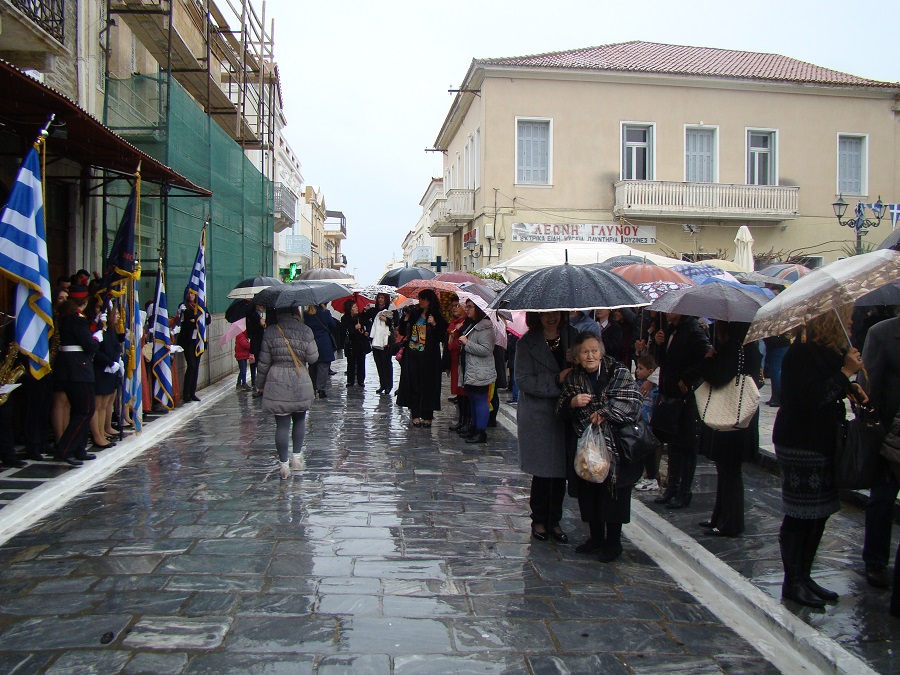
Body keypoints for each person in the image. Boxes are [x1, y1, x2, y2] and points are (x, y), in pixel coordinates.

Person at [772, 306, 866, 608]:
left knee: (820, 511)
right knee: (800, 513)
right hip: (800, 442)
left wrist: (850, 385)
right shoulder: (800, 354)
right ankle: (793, 582)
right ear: (829, 322)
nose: (850, 322)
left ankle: (805, 575)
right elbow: (811, 399)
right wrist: (844, 374)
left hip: (824, 441)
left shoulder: (830, 354)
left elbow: (829, 389)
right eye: (846, 318)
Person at [557, 332, 643, 562]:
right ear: (577, 356)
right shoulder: (574, 377)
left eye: (594, 350)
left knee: (614, 494)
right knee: (589, 492)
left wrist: (606, 412)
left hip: (615, 446)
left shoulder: (618, 371)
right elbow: (561, 410)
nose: (590, 356)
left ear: (601, 352)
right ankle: (595, 538)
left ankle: (613, 543)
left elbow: (632, 401)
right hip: (587, 447)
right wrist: (572, 402)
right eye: (584, 352)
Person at [516, 311, 577, 543]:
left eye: (555, 313)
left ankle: (555, 520)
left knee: (560, 470)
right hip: (539, 414)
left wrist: (577, 360)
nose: (551, 318)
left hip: (566, 412)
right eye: (546, 314)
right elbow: (522, 380)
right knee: (543, 471)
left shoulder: (572, 335)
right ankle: (539, 519)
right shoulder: (526, 343)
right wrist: (556, 379)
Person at [697, 321, 762, 537]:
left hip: (730, 416)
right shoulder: (749, 347)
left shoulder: (733, 348)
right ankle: (720, 517)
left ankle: (729, 522)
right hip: (741, 414)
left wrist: (708, 360)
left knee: (729, 471)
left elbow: (717, 376)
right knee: (726, 470)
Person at [651, 312, 711, 509]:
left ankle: (684, 491)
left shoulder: (693, 329)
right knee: (674, 444)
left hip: (686, 397)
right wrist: (658, 344)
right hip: (670, 395)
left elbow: (706, 355)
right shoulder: (670, 329)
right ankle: (672, 487)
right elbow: (663, 361)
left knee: (686, 446)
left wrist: (688, 377)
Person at [860, 315, 900, 593]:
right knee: (883, 498)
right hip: (889, 433)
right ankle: (875, 560)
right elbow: (867, 386)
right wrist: (875, 430)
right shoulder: (883, 333)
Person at [256, 305, 319, 479]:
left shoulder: (270, 331)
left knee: (282, 425)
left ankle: (283, 465)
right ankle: (296, 457)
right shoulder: (306, 330)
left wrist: (260, 384)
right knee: (299, 419)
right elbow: (313, 358)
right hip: (300, 379)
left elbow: (263, 362)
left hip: (278, 380)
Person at [53, 285, 100, 466]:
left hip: (69, 368)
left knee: (80, 410)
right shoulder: (77, 320)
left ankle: (79, 448)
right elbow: (89, 345)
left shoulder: (66, 318)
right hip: (78, 369)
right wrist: (96, 338)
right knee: (85, 410)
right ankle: (65, 449)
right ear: (85, 302)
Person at [396, 289, 447, 427]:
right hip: (413, 354)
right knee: (414, 384)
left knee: (428, 386)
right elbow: (402, 331)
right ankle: (415, 414)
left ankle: (427, 415)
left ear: (429, 301)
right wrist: (405, 319)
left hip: (429, 358)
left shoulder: (437, 316)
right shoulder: (415, 314)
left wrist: (434, 324)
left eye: (422, 299)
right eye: (419, 298)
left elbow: (442, 336)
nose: (420, 301)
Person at [457, 299, 496, 444]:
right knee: (472, 399)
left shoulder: (485, 328)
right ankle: (473, 427)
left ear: (478, 308)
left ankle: (481, 431)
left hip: (481, 371)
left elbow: (486, 349)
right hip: (471, 370)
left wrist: (467, 343)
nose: (466, 309)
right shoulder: (472, 325)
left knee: (480, 400)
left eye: (470, 307)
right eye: (466, 306)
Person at [90, 302, 122, 449]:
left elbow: (116, 346)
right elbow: (96, 351)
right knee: (97, 405)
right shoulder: (98, 331)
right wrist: (108, 362)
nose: (118, 316)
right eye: (115, 314)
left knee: (104, 404)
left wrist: (115, 361)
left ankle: (102, 431)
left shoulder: (111, 331)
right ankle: (97, 435)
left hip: (110, 368)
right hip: (100, 369)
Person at [633, 354, 660, 492]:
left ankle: (652, 477)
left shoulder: (655, 390)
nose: (637, 371)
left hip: (649, 426)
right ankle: (639, 475)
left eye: (641, 368)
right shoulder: (637, 385)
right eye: (637, 368)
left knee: (649, 453)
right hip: (638, 425)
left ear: (650, 371)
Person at [176, 289, 208, 403]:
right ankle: (186, 394)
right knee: (192, 365)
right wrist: (194, 321)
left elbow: (207, 320)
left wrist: (203, 318)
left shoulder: (200, 306)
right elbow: (184, 324)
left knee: (196, 366)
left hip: (198, 340)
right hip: (188, 341)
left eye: (193, 294)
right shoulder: (184, 307)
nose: (191, 296)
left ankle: (192, 392)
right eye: (189, 293)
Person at [445, 297, 470, 432]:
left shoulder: (467, 323)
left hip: (462, 360)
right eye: (453, 306)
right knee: (458, 392)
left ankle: (466, 420)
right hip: (454, 360)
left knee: (464, 391)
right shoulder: (454, 323)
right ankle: (461, 419)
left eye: (457, 305)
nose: (454, 308)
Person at [303, 304, 338, 398]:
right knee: (323, 366)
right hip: (324, 342)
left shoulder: (306, 314)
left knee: (312, 366)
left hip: (311, 342)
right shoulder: (325, 312)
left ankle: (313, 388)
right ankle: (321, 389)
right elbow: (333, 325)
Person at [366, 293, 395, 395]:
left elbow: (395, 322)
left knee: (386, 363)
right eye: (379, 298)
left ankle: (388, 385)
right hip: (376, 340)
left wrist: (386, 320)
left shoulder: (390, 309)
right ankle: (382, 384)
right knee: (379, 363)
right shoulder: (374, 310)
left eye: (382, 298)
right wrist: (366, 311)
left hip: (386, 341)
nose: (380, 300)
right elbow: (366, 319)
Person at [341, 300, 371, 387]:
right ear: (350, 309)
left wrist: (367, 331)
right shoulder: (345, 318)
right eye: (354, 307)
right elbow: (344, 331)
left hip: (361, 343)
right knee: (351, 362)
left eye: (356, 306)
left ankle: (361, 380)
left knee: (361, 362)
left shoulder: (360, 316)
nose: (356, 308)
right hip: (351, 344)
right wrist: (354, 328)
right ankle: (350, 381)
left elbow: (368, 323)